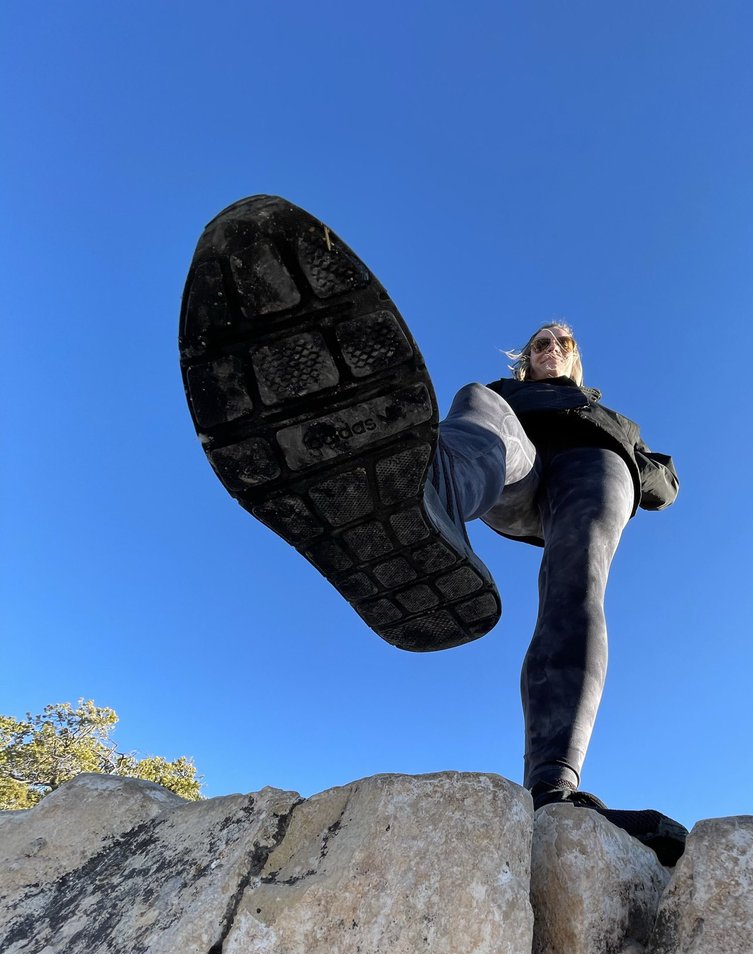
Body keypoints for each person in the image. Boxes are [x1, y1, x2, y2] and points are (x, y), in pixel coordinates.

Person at [180, 195, 687, 865]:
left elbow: (663, 488)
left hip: (594, 470)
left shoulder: (612, 418)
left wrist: (644, 466)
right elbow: (490, 417)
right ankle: (429, 500)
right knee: (478, 403)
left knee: (574, 587)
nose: (551, 350)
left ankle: (553, 790)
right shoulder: (506, 392)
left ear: (575, 359)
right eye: (541, 343)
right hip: (515, 466)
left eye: (562, 344)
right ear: (527, 356)